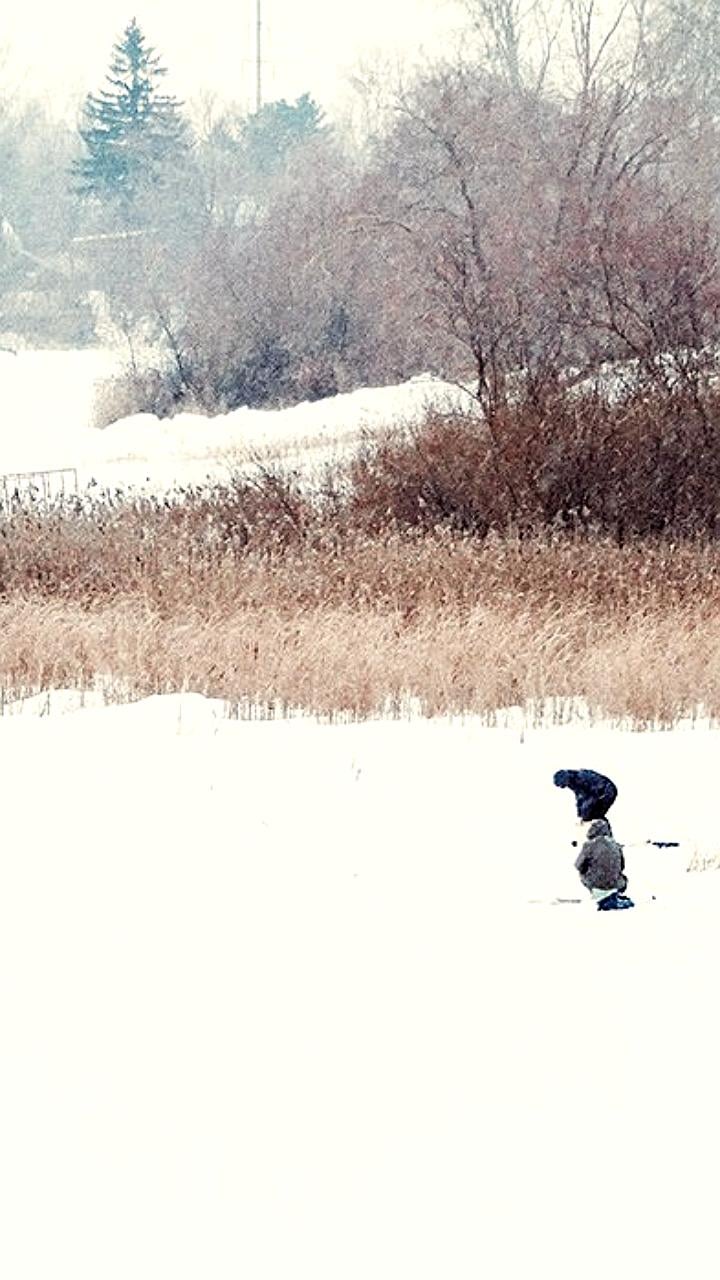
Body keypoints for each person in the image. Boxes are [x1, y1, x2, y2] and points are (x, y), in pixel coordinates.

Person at [574, 818, 634, 911]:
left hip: (594, 882)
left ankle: (597, 892)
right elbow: (622, 866)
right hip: (615, 883)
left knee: (583, 871)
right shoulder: (615, 844)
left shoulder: (589, 845)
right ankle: (611, 894)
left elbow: (578, 865)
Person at [553, 768, 618, 823]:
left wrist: (584, 812)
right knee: (587, 814)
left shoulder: (582, 777)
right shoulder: (573, 782)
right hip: (598, 793)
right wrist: (579, 813)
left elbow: (593, 795)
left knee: (592, 815)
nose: (567, 786)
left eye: (565, 784)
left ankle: (600, 830)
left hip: (607, 791)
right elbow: (579, 796)